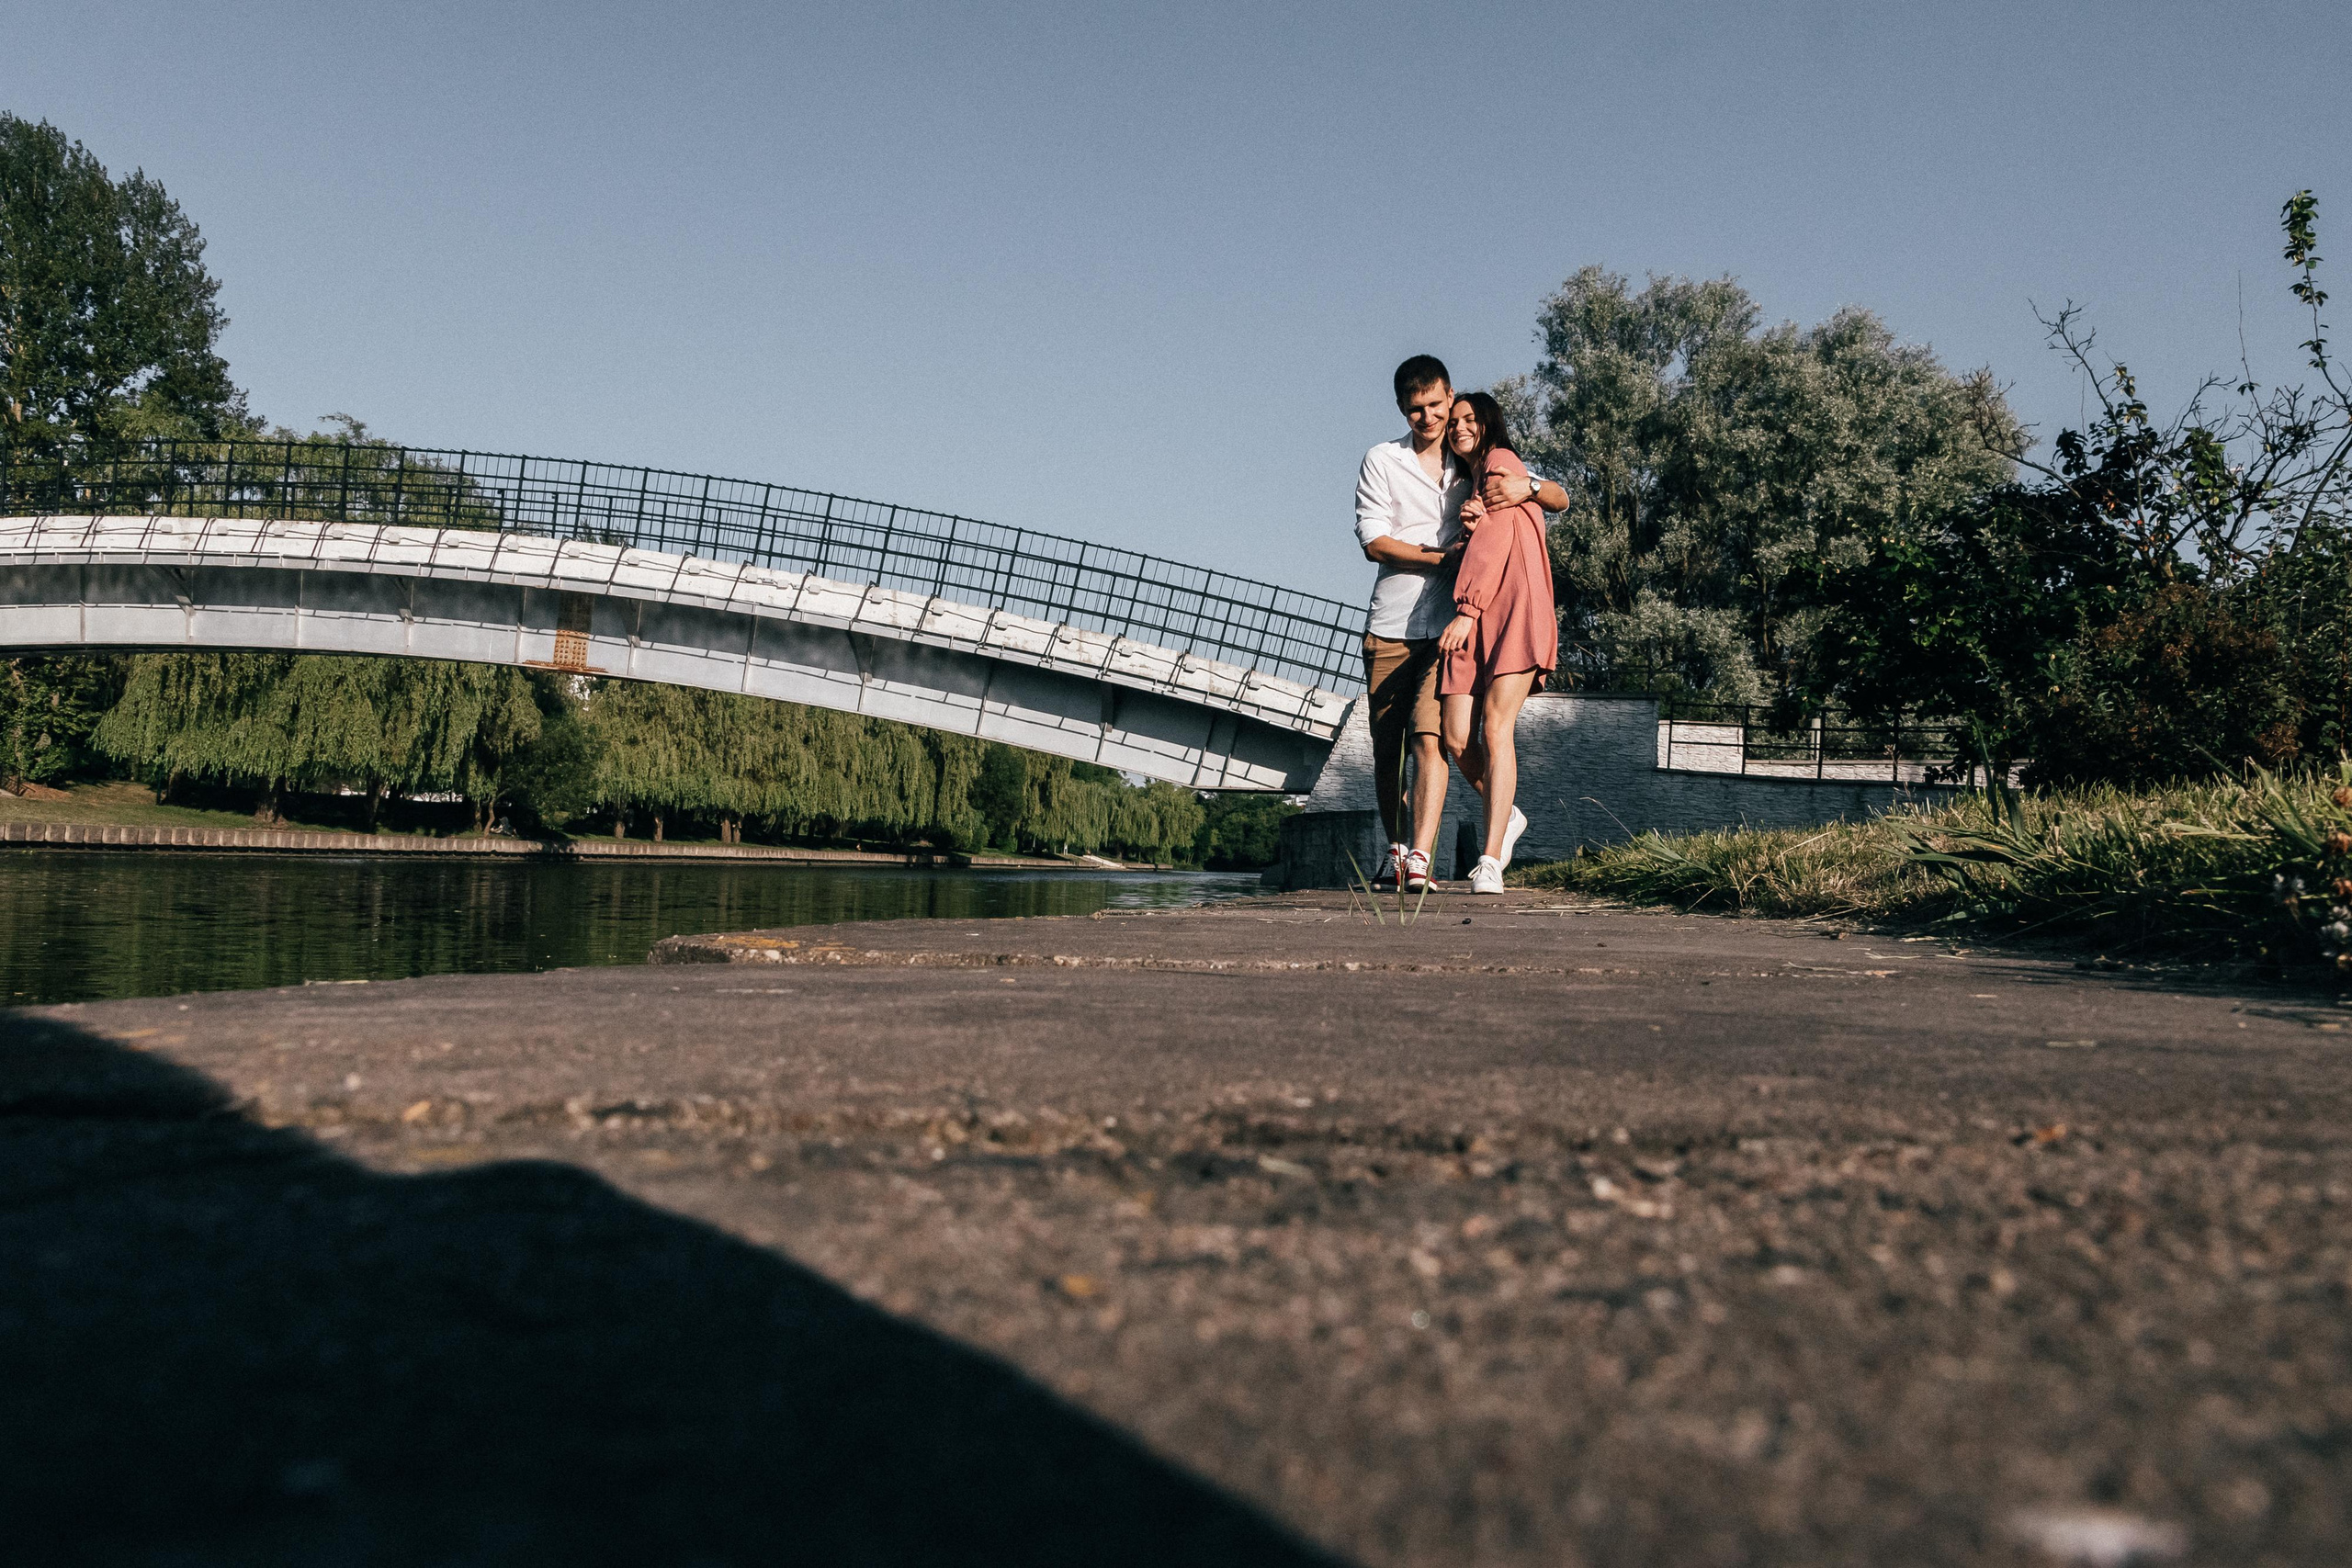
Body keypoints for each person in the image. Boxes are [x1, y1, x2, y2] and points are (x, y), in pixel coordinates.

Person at [1354, 357, 1564, 891]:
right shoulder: (1383, 460)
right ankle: (1398, 849)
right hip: (1393, 622)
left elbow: (1556, 498)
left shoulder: (1481, 459)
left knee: (1432, 739)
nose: (1430, 417)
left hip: (1451, 624)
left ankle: (1421, 859)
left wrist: (1529, 486)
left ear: (1449, 397)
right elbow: (1375, 543)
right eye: (1415, 408)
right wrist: (1444, 555)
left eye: (1436, 406)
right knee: (1389, 750)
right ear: (1403, 409)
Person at [1433, 390, 1556, 895]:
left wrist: (1466, 609)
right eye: (1453, 421)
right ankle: (1508, 816)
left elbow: (1515, 528)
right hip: (1481, 611)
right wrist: (1467, 532)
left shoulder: (1502, 462)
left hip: (1510, 609)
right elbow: (1491, 538)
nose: (1459, 426)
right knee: (1456, 736)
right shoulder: (1473, 483)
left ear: (1488, 423)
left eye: (1469, 419)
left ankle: (1490, 860)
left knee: (1496, 727)